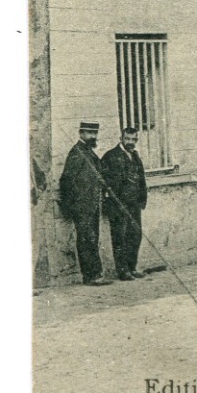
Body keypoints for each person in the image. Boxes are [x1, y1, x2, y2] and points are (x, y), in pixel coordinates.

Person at [57, 122, 111, 286]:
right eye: (89, 133)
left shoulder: (88, 152)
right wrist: (72, 206)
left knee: (92, 239)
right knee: (86, 240)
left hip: (92, 205)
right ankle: (90, 276)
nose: (93, 136)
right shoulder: (76, 153)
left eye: (95, 133)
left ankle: (96, 274)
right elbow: (66, 180)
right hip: (82, 207)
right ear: (81, 133)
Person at [99, 126, 149, 280]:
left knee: (135, 235)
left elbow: (141, 180)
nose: (130, 142)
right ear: (121, 138)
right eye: (127, 139)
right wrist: (112, 202)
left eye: (134, 139)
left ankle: (132, 267)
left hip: (134, 205)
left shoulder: (135, 156)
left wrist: (142, 199)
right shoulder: (111, 156)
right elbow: (104, 182)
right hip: (118, 205)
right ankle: (123, 271)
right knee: (120, 237)